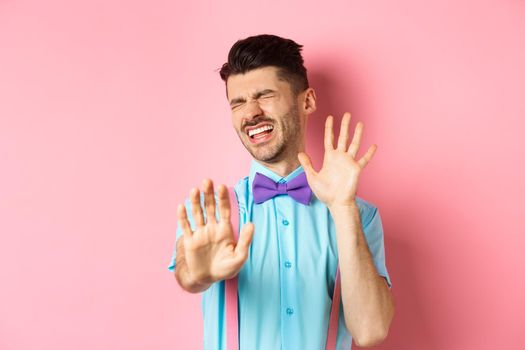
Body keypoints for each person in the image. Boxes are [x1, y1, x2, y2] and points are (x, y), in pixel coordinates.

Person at [168, 34, 395, 350]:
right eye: (238, 102)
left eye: (264, 95)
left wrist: (343, 209)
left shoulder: (361, 216)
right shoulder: (214, 213)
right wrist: (197, 274)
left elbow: (370, 331)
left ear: (307, 101)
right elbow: (187, 273)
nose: (250, 113)